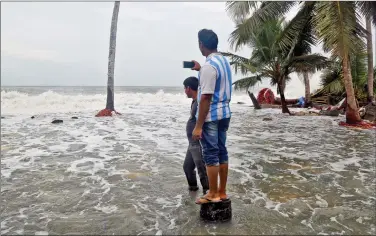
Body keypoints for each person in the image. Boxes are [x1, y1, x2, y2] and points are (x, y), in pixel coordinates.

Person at [190, 29, 232, 204]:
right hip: (225, 114)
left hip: (212, 116)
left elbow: (206, 97)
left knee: (211, 154)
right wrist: (200, 69)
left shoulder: (209, 66)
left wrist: (198, 125)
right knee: (222, 151)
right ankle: (221, 192)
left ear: (201, 44)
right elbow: (216, 81)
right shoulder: (222, 61)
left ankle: (212, 193)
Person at [183, 76, 209, 195]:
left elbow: (204, 116)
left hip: (197, 141)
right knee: (188, 167)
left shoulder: (199, 101)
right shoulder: (195, 100)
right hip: (191, 142)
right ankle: (192, 192)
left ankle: (207, 193)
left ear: (188, 88)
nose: (184, 91)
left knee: (201, 168)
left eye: (185, 88)